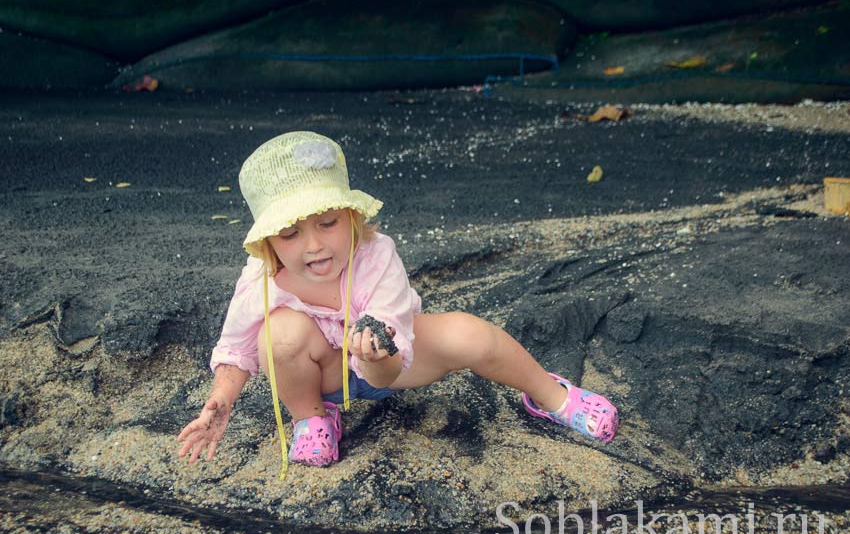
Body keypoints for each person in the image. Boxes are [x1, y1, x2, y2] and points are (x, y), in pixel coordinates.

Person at [177, 131, 618, 475]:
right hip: (322, 373)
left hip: (392, 361)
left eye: (327, 223)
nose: (313, 245)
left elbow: (393, 348)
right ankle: (311, 418)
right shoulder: (261, 279)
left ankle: (550, 396)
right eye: (291, 234)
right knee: (279, 333)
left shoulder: (376, 254)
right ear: (268, 242)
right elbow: (236, 349)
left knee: (472, 334)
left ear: (352, 216)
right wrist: (221, 401)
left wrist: (374, 357)